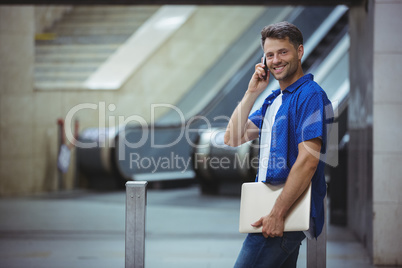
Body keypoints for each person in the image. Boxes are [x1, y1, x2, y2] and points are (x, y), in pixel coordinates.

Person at [224, 21, 333, 267]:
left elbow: (308, 161)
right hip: (273, 212)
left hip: (280, 215)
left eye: (283, 52)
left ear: (300, 52)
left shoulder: (310, 95)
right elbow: (232, 138)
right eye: (270, 55)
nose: (276, 60)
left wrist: (277, 213)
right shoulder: (274, 100)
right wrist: (252, 92)